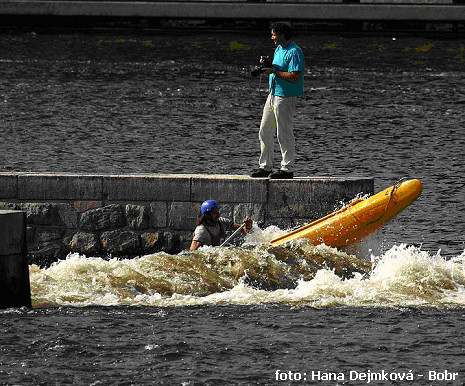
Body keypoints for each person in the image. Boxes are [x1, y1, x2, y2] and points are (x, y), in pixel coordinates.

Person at [250, 22, 305, 179]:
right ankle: (265, 167)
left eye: (274, 34)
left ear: (282, 35)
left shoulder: (295, 52)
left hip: (286, 97)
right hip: (273, 94)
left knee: (284, 133)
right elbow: (278, 68)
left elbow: (294, 76)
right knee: (264, 130)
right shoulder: (279, 48)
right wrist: (269, 65)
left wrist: (275, 71)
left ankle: (287, 169)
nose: (272, 37)